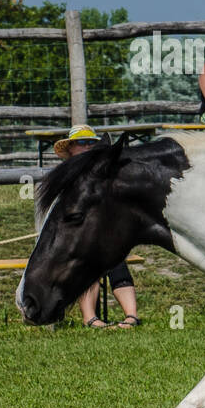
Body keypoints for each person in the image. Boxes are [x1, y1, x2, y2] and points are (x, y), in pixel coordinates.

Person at [52, 125, 142, 328]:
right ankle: (91, 319)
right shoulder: (66, 175)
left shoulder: (105, 171)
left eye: (92, 142)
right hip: (78, 236)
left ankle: (131, 316)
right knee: (88, 268)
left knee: (118, 266)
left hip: (105, 232)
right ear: (71, 148)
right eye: (82, 143)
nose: (88, 146)